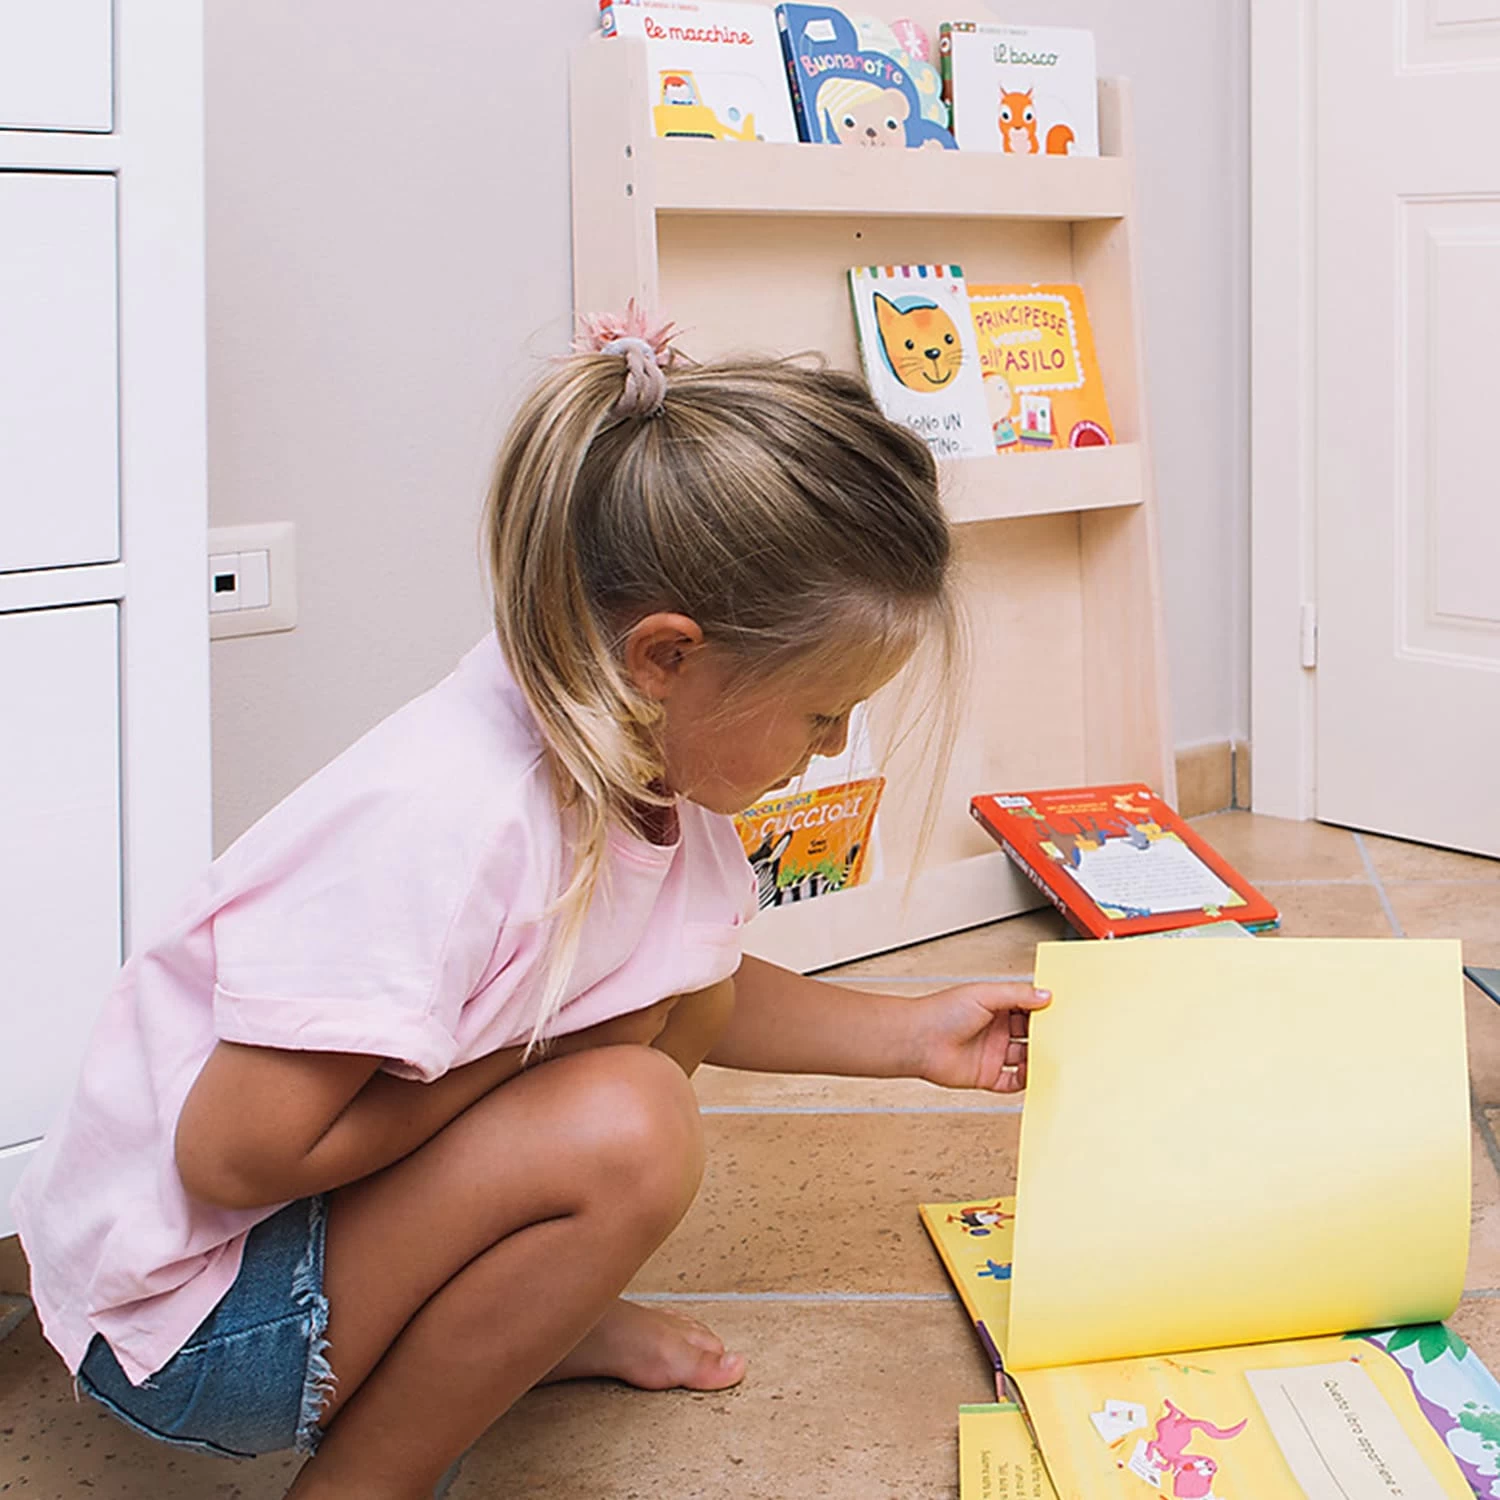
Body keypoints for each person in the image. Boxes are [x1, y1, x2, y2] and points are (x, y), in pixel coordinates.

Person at [12, 308, 1047, 1500]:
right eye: (823, 713)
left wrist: (913, 1034)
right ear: (666, 657)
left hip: (288, 1243)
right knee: (628, 1119)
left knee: (653, 1046)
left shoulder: (642, 753)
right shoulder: (448, 819)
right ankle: (368, 1480)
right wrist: (534, 1059)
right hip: (186, 1328)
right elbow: (237, 1152)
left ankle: (528, 1321)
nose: (836, 745)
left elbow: (686, 974)